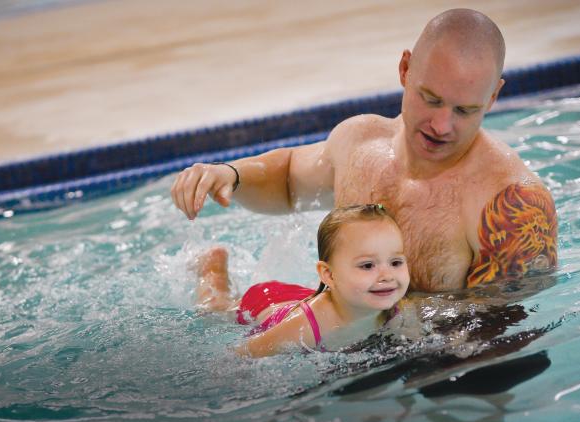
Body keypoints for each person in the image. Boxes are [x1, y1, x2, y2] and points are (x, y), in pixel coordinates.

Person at [171, 8, 558, 293]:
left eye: (464, 110)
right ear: (405, 69)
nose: (442, 125)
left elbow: (499, 328)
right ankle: (214, 278)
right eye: (430, 98)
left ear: (492, 97)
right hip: (345, 335)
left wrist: (374, 313)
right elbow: (289, 180)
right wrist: (232, 175)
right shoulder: (360, 141)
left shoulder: (511, 203)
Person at [194, 204, 410, 357]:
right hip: (264, 302)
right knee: (216, 308)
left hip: (304, 295)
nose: (387, 276)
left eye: (396, 262)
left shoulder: (396, 307)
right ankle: (213, 268)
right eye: (367, 266)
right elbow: (240, 356)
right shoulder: (305, 327)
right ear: (329, 275)